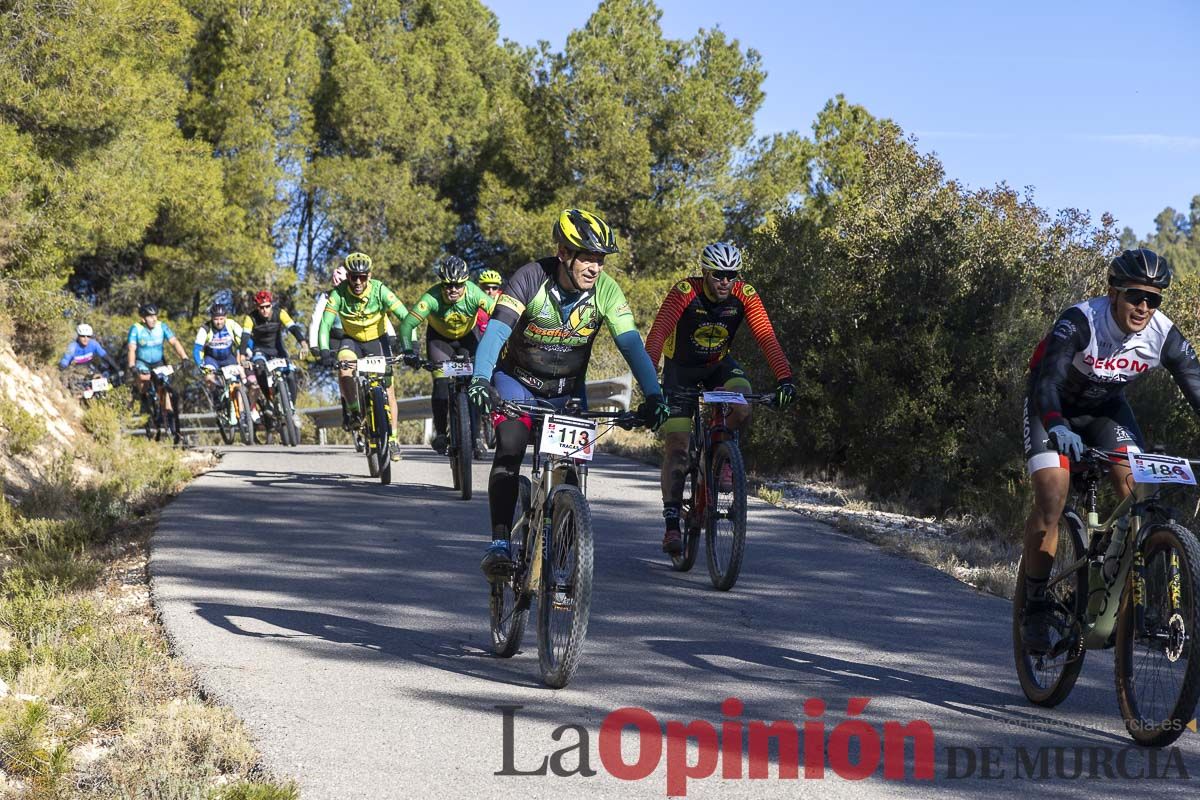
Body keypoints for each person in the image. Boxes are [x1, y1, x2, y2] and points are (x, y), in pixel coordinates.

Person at [466, 208, 670, 580]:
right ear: (563, 253)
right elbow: (496, 332)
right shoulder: (530, 278)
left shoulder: (606, 291)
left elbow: (631, 346)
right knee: (510, 447)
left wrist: (654, 395)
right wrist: (481, 378)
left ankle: (560, 559)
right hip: (518, 384)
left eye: (601, 260)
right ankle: (499, 542)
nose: (595, 267)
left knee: (570, 474)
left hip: (568, 393)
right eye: (588, 258)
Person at [1020, 248, 1200, 652]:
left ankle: (1124, 588)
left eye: (1153, 299)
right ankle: (1034, 605)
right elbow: (1047, 381)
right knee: (1051, 495)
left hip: (1105, 412)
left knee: (1141, 489)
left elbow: (1196, 384)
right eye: (1135, 295)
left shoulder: (1163, 334)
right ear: (1113, 292)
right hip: (1053, 407)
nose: (1143, 306)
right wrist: (1057, 425)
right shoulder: (1080, 321)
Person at [643, 242, 796, 555]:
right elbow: (656, 336)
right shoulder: (685, 292)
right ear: (705, 272)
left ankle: (719, 459)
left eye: (731, 274)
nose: (725, 281)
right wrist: (650, 388)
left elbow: (767, 338)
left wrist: (785, 379)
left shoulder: (745, 294)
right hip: (680, 370)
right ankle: (672, 523)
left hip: (717, 366)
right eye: (718, 275)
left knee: (742, 406)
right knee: (677, 447)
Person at [400, 256, 496, 460]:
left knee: (475, 384)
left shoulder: (474, 293)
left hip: (468, 340)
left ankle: (477, 436)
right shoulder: (432, 298)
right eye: (448, 285)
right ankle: (442, 433)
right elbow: (407, 324)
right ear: (441, 284)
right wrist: (409, 350)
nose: (453, 289)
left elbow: (498, 314)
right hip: (439, 342)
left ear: (465, 283)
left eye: (458, 285)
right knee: (441, 382)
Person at [317, 251, 410, 461]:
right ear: (348, 276)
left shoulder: (380, 290)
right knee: (343, 367)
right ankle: (353, 411)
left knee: (389, 389)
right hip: (352, 340)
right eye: (353, 276)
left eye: (362, 276)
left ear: (370, 275)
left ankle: (393, 440)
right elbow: (324, 324)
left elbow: (405, 316)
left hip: (378, 340)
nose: (358, 281)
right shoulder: (338, 294)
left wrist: (409, 345)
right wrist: (324, 350)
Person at [241, 290, 308, 428]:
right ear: (257, 307)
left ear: (271, 305)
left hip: (278, 349)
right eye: (261, 307)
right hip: (260, 350)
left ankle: (292, 409)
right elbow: (245, 337)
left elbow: (293, 328)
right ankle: (269, 400)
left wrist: (303, 343)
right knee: (259, 368)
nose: (265, 310)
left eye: (267, 306)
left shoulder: (280, 313)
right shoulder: (251, 318)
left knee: (290, 375)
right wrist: (242, 357)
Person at [127, 303, 188, 442]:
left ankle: (171, 425)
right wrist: (132, 366)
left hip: (159, 362)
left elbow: (174, 342)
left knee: (165, 388)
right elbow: (131, 349)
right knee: (143, 384)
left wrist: (184, 357)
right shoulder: (136, 329)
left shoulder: (162, 326)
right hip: (142, 362)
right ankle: (146, 408)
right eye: (150, 317)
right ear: (143, 319)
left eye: (155, 316)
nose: (154, 319)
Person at [193, 303, 247, 404]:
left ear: (226, 317)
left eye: (221, 319)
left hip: (228, 358)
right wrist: (201, 365)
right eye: (216, 319)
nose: (219, 322)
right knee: (209, 378)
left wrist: (248, 352)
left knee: (237, 384)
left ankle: (243, 414)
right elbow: (197, 349)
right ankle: (216, 396)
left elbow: (245, 339)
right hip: (211, 359)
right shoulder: (205, 328)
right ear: (212, 318)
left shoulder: (231, 324)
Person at [474, 269, 503, 336]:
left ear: (498, 288)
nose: (490, 291)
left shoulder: (504, 299)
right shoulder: (474, 299)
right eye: (487, 287)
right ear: (481, 287)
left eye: (494, 288)